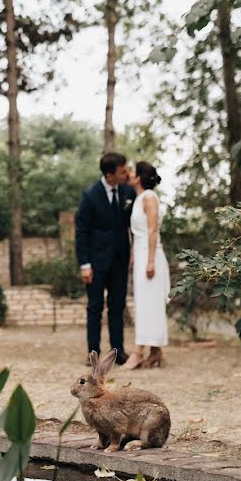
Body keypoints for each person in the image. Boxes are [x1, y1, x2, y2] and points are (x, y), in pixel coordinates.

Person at [75, 152, 134, 365]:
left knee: (117, 306)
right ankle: (94, 354)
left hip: (120, 261)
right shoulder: (90, 195)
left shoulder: (128, 192)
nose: (126, 174)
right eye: (122, 171)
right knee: (95, 307)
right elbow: (81, 231)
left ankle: (118, 352)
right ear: (110, 174)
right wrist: (85, 264)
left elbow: (133, 225)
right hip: (96, 263)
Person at [123, 161, 169, 369]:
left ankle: (139, 351)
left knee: (149, 304)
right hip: (141, 253)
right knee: (145, 303)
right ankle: (156, 352)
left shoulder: (149, 197)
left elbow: (152, 231)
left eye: (133, 171)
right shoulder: (139, 198)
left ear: (140, 177)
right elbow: (138, 233)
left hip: (151, 256)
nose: (129, 173)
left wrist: (150, 261)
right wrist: (134, 254)